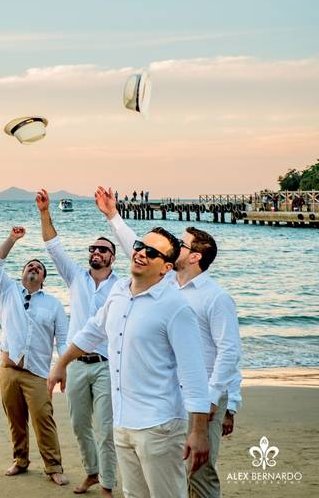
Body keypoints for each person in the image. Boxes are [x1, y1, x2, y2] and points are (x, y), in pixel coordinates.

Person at [95, 187, 242, 498]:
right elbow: (138, 249)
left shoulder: (216, 297)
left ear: (194, 255)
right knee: (172, 477)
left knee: (200, 476)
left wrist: (215, 401)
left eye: (182, 243)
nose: (174, 245)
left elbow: (229, 352)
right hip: (172, 402)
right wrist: (113, 216)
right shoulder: (166, 287)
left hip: (204, 400)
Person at [48, 226, 212, 498]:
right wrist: (61, 363)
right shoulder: (119, 292)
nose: (141, 253)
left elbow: (194, 375)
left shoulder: (176, 308)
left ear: (166, 267)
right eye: (139, 246)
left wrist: (199, 432)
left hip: (159, 427)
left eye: (152, 252)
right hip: (122, 423)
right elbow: (92, 331)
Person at [36, 189, 118, 495]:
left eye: (102, 249)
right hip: (76, 365)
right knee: (80, 426)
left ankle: (108, 484)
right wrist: (44, 212)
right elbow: (53, 247)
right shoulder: (76, 278)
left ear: (112, 256)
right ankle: (93, 473)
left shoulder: (122, 285)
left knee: (106, 429)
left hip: (107, 364)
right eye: (92, 249)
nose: (96, 252)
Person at [0, 226, 69, 486]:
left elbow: (63, 341)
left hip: (37, 372)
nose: (34, 268)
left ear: (44, 277)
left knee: (43, 418)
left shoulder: (54, 304)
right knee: (15, 420)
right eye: (29, 265)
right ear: (22, 273)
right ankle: (20, 460)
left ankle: (54, 467)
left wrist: (62, 367)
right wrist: (12, 239)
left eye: (39, 267)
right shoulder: (7, 291)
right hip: (9, 370)